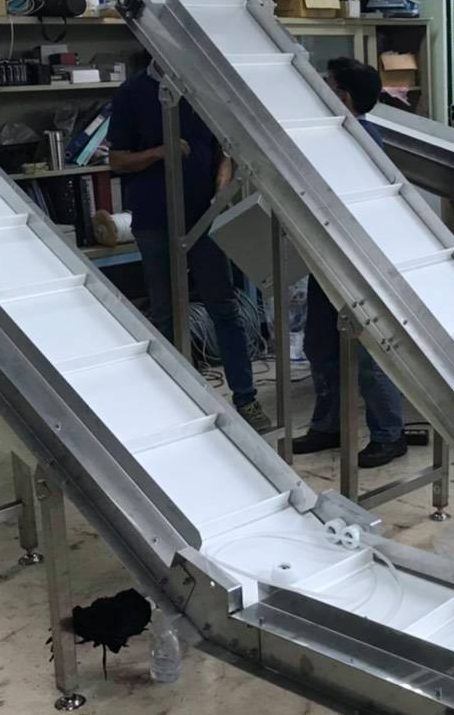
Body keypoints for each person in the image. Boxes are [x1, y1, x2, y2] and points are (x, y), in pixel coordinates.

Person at [109, 59, 272, 432]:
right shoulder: (132, 93)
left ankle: (245, 398)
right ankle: (175, 402)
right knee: (165, 311)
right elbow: (117, 160)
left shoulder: (202, 87)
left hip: (204, 216)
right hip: (155, 217)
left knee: (224, 306)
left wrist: (221, 189)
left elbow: (224, 150)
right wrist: (158, 153)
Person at [293, 57, 407, 468]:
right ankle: (329, 425)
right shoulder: (332, 134)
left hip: (359, 261)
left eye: (327, 83)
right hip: (327, 256)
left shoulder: (361, 140)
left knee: (370, 353)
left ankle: (389, 434)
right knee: (320, 345)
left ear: (342, 96)